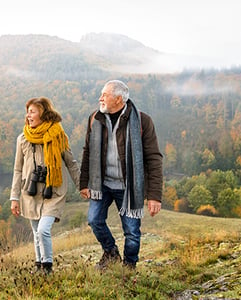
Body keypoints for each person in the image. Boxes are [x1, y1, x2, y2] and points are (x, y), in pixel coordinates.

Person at [79, 80, 163, 270]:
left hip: (129, 187)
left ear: (118, 99)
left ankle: (129, 267)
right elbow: (87, 151)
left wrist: (154, 196)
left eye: (105, 95)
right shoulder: (95, 118)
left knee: (132, 232)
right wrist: (84, 182)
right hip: (103, 184)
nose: (100, 98)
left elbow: (154, 159)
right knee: (94, 220)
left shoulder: (142, 121)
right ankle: (111, 253)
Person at [10, 96, 80, 274]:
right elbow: (18, 169)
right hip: (30, 191)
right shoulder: (23, 139)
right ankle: (39, 265)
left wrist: (82, 186)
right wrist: (14, 197)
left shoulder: (58, 136)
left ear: (43, 113)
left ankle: (47, 268)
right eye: (27, 112)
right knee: (35, 232)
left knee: (43, 230)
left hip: (53, 191)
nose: (28, 116)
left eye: (32, 111)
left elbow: (71, 163)